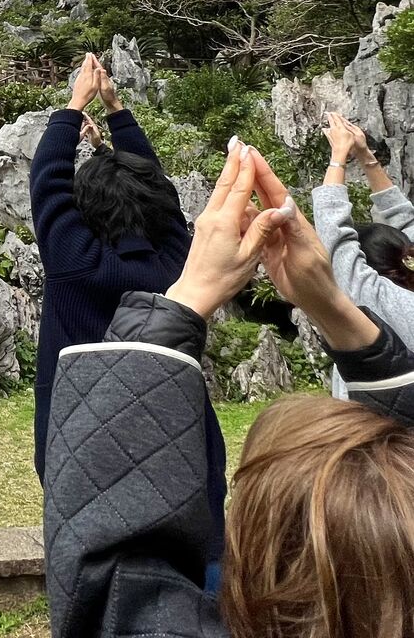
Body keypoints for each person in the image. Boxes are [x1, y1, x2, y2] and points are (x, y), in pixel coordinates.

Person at [44, 140, 414, 638]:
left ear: (260, 567)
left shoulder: (74, 262)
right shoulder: (169, 255)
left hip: (132, 429)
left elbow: (110, 587)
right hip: (190, 445)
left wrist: (74, 109)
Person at [29, 53, 225, 522]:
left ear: (85, 208)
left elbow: (46, 181)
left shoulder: (76, 263)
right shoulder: (178, 265)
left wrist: (76, 102)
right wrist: (115, 109)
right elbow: (157, 190)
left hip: (80, 444)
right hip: (181, 442)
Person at [313, 111, 414, 399]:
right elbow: (406, 220)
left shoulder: (373, 298)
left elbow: (335, 233)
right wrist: (365, 156)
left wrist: (339, 156)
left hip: (381, 439)